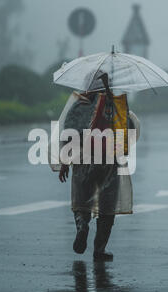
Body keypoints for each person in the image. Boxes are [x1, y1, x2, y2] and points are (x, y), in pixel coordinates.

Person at [58, 71, 136, 261]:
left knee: (81, 200)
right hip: (109, 161)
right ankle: (99, 250)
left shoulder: (80, 105)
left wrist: (64, 162)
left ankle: (82, 225)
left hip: (83, 160)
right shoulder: (115, 106)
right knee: (107, 206)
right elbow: (130, 126)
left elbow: (69, 133)